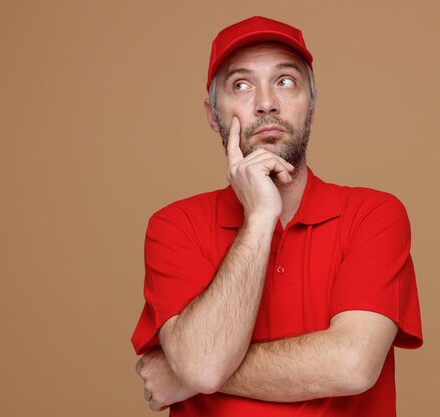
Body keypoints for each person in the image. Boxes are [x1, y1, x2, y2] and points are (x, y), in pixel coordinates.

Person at [132, 16, 422, 416]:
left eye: (286, 81)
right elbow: (201, 363)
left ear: (311, 105)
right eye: (241, 85)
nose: (267, 102)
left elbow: (353, 364)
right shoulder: (174, 227)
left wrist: (186, 373)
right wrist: (260, 217)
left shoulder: (373, 215)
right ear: (213, 114)